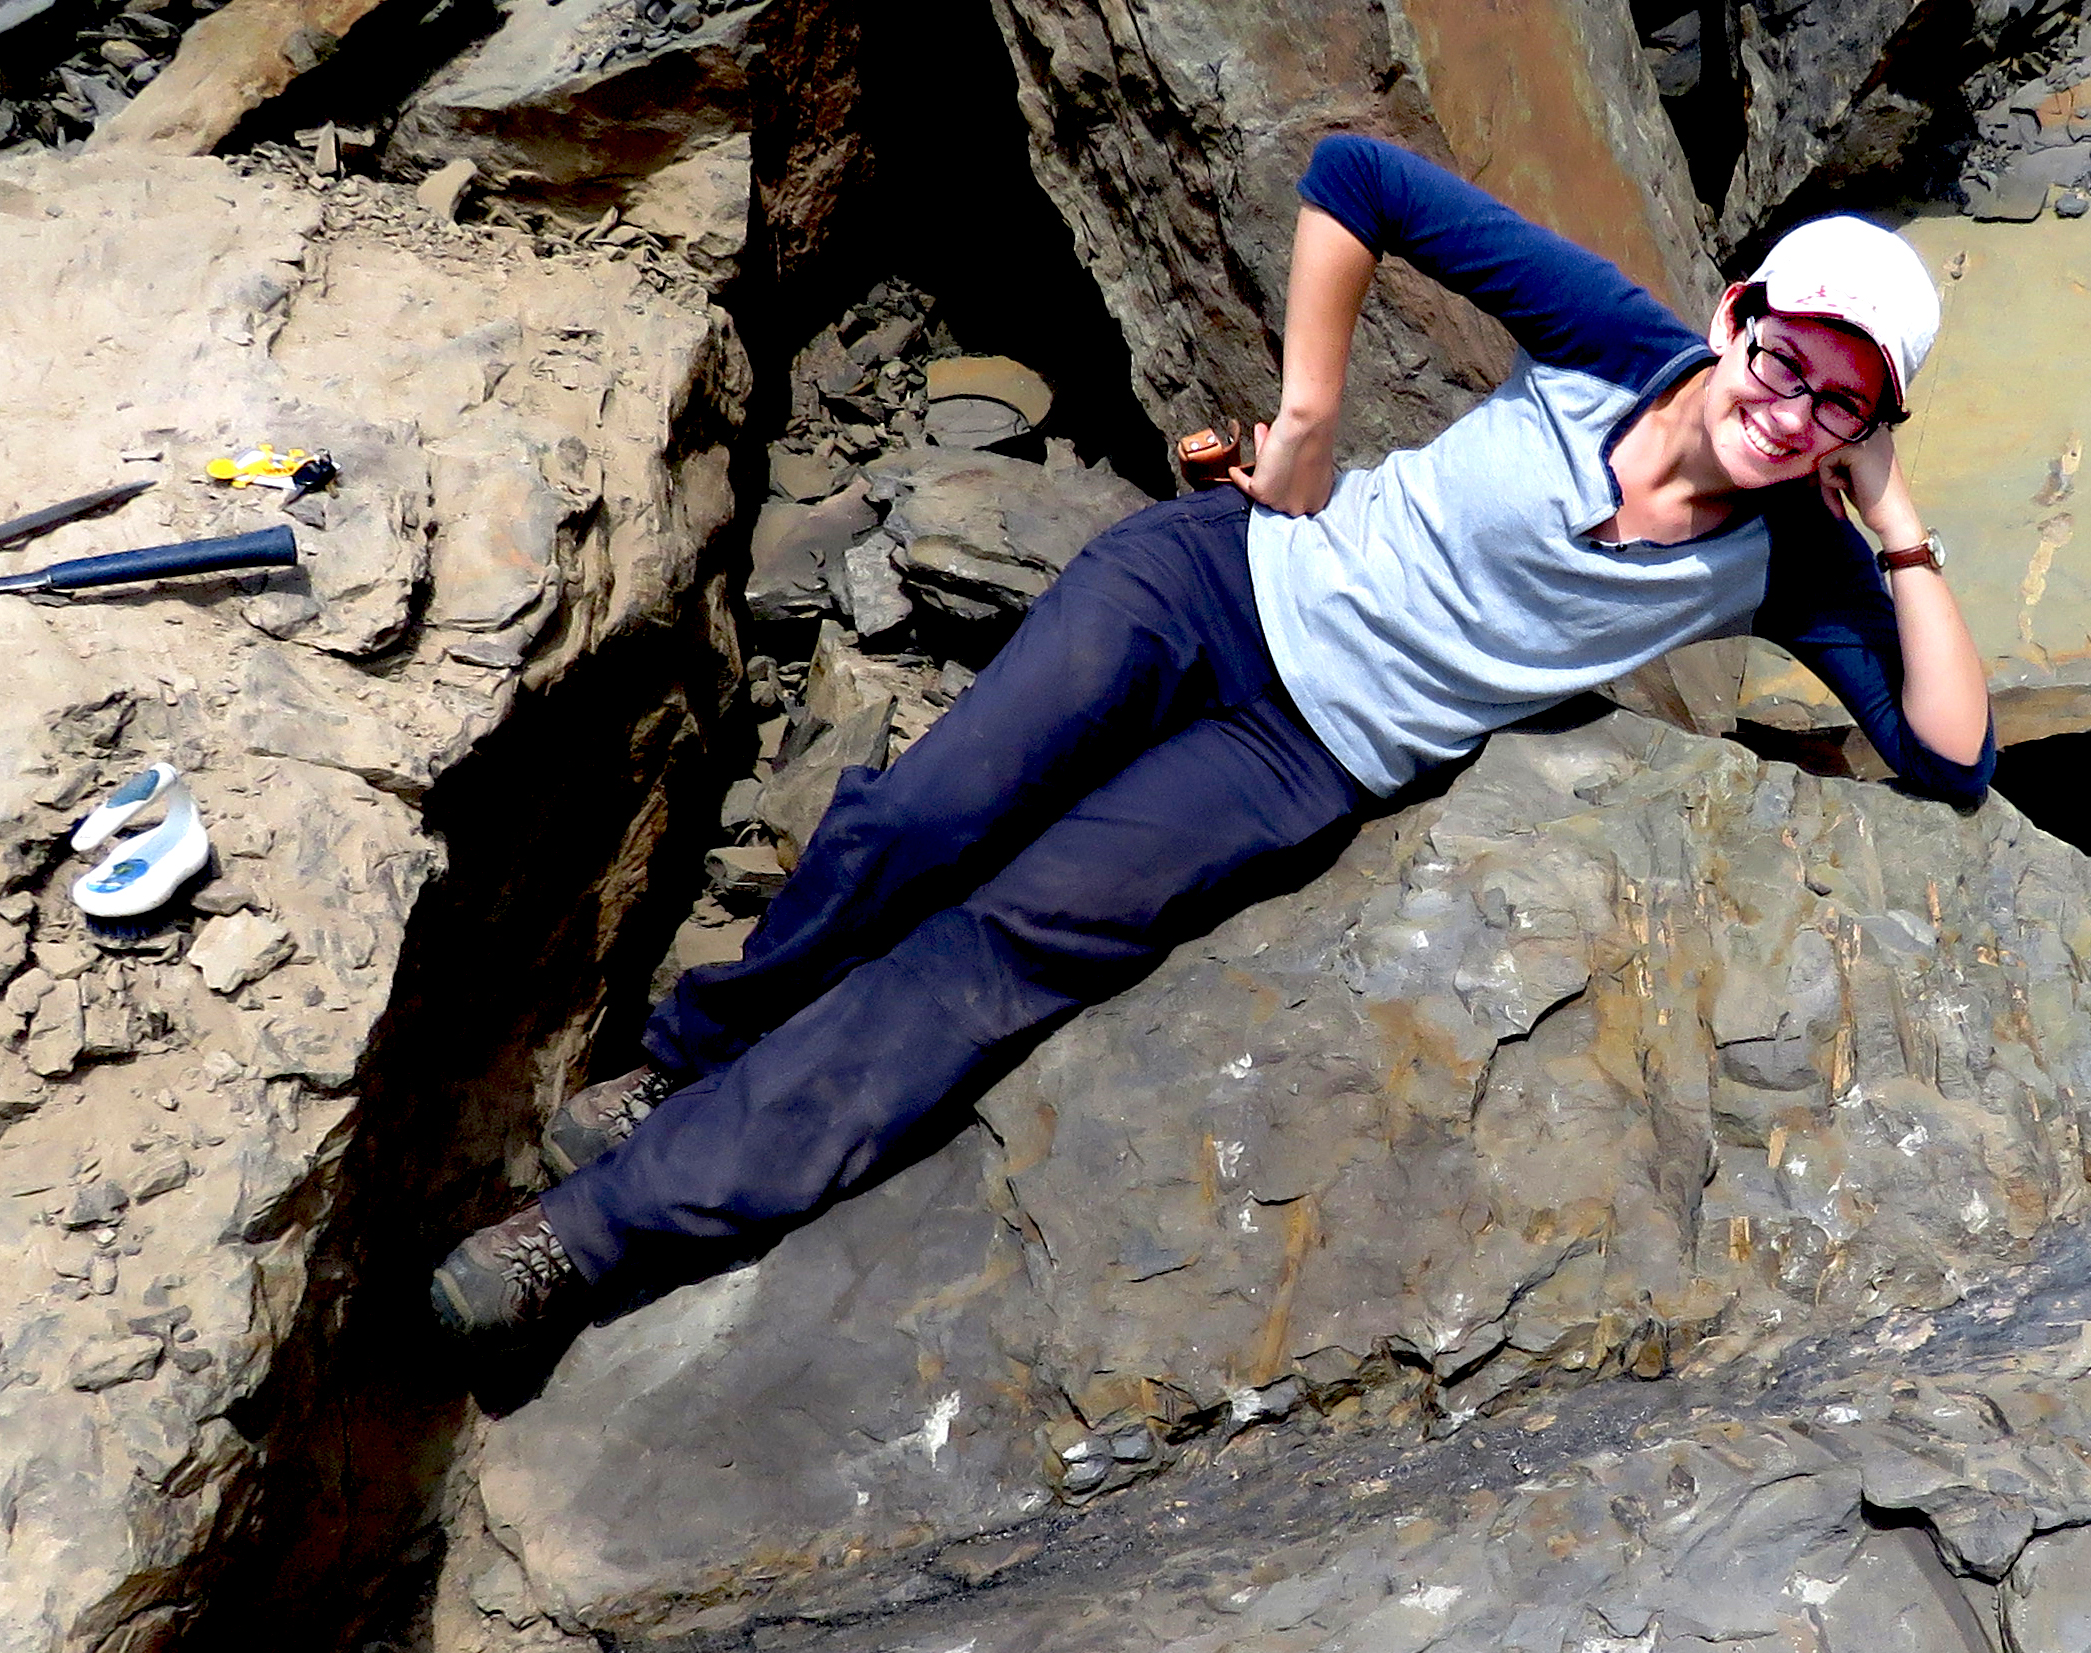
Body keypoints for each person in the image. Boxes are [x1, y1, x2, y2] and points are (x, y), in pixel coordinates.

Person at [430, 132, 1994, 1338]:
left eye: (1841, 409)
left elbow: (1947, 758)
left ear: (1865, 437)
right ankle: (697, 1053)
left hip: (1301, 756)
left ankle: (602, 1232)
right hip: (1215, 578)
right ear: (1737, 316)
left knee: (1002, 951)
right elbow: (1356, 181)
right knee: (929, 812)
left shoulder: (1794, 558)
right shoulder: (1605, 334)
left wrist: (1897, 529)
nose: (1789, 412)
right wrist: (1308, 424)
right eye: (1784, 361)